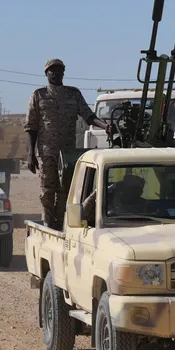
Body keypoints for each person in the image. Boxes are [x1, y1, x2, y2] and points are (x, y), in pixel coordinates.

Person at [24, 58, 112, 229]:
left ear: (64, 73)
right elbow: (31, 126)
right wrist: (30, 153)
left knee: (65, 190)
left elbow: (88, 115)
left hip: (67, 153)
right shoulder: (39, 95)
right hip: (47, 152)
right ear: (46, 73)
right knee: (47, 190)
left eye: (59, 70)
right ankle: (48, 222)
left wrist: (105, 126)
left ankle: (60, 222)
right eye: (52, 71)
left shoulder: (73, 94)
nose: (56, 73)